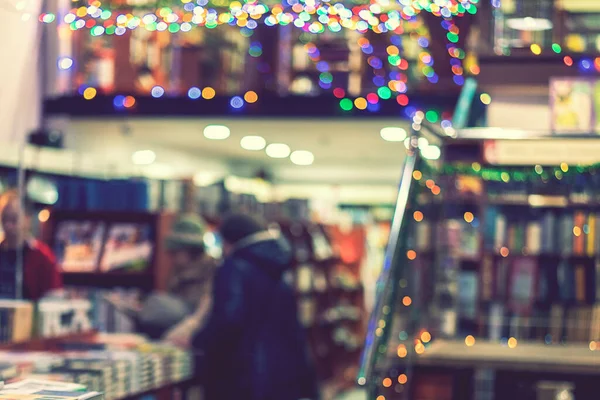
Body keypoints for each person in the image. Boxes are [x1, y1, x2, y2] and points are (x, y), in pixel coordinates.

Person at [192, 213, 319, 400]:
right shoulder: (279, 268)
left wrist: (200, 340)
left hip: (243, 379)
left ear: (229, 242)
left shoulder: (234, 267)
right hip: (281, 377)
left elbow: (228, 320)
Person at [131, 214, 217, 344]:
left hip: (193, 335)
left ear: (190, 250)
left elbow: (203, 313)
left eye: (176, 252)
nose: (172, 257)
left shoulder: (212, 270)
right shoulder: (179, 271)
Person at [0, 190, 62, 300]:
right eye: (5, 219)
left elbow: (54, 295)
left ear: (27, 219)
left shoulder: (42, 256)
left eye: (14, 220)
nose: (8, 225)